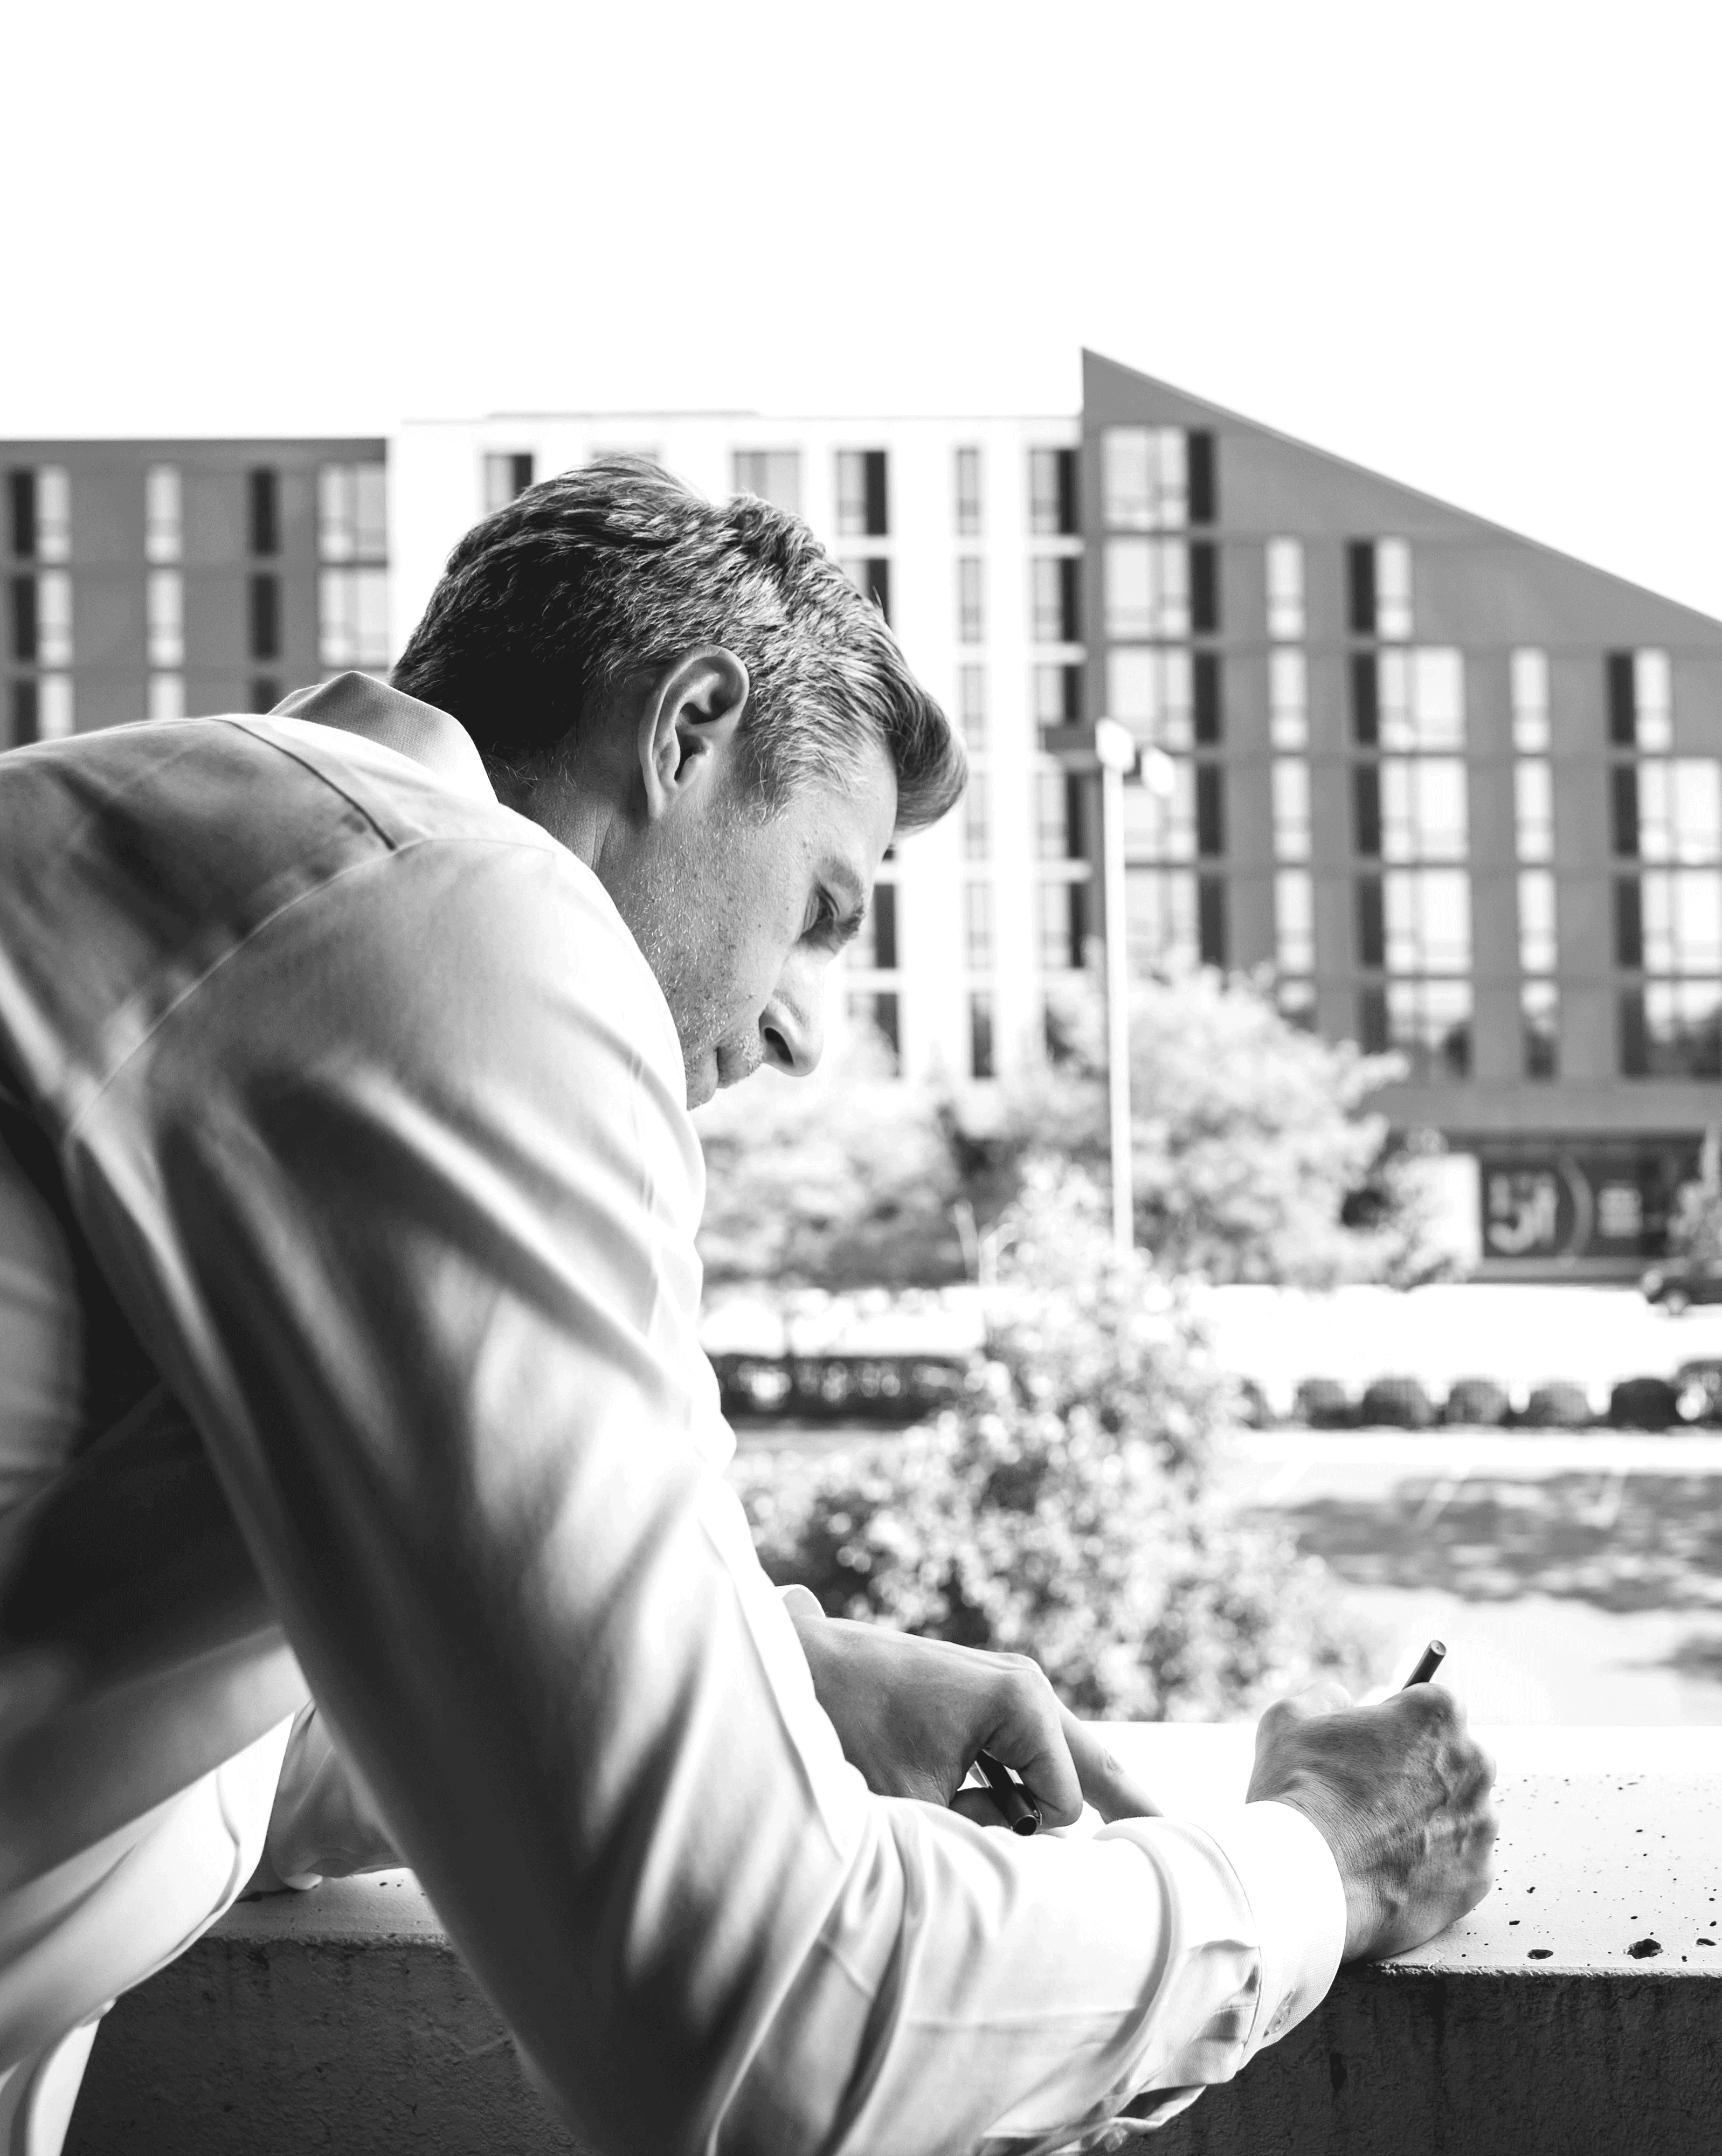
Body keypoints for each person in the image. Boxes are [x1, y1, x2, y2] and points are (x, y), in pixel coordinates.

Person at [0, 458, 1496, 2155]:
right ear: (689, 726)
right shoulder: (451, 908)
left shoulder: (151, 859)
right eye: (819, 913)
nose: (806, 1029)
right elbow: (782, 2016)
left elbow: (116, 1715)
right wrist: (1317, 1858)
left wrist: (774, 1668)